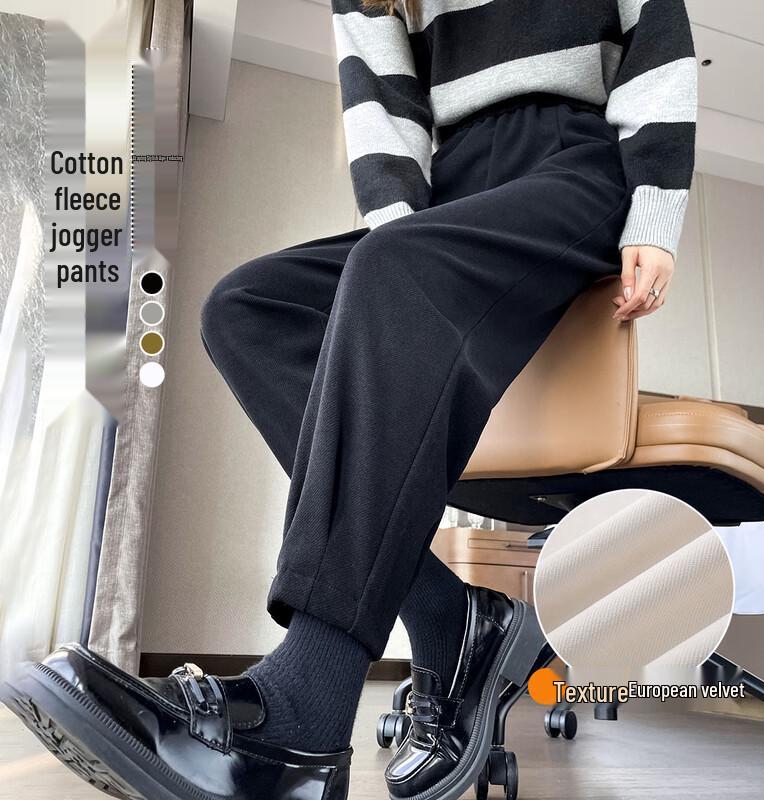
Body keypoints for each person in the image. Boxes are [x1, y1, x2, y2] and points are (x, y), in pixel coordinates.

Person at [1, 1, 697, 799]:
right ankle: (447, 615)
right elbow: (383, 108)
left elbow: (659, 37)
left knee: (388, 270)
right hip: (452, 180)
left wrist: (656, 206)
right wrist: (397, 260)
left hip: (574, 163)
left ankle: (305, 712)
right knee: (247, 310)